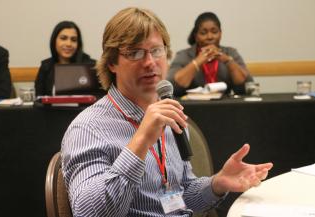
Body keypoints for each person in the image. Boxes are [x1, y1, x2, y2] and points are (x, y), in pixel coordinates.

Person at [61, 7, 273, 217]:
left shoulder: (169, 116)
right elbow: (89, 213)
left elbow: (179, 198)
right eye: (134, 53)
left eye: (156, 50)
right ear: (112, 63)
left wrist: (217, 183)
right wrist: (141, 140)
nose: (150, 62)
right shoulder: (88, 128)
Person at [167, 12, 253, 97]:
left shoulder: (230, 53)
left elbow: (247, 85)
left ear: (220, 33)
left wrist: (227, 60)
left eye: (214, 32)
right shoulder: (184, 55)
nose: (210, 37)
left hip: (225, 105)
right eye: (203, 33)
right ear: (196, 36)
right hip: (193, 106)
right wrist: (198, 61)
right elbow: (172, 86)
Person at [35, 21, 95, 96]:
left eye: (73, 40)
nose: (68, 44)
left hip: (83, 108)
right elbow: (39, 99)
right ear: (54, 41)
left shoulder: (91, 66)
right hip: (52, 108)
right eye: (63, 38)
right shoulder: (46, 66)